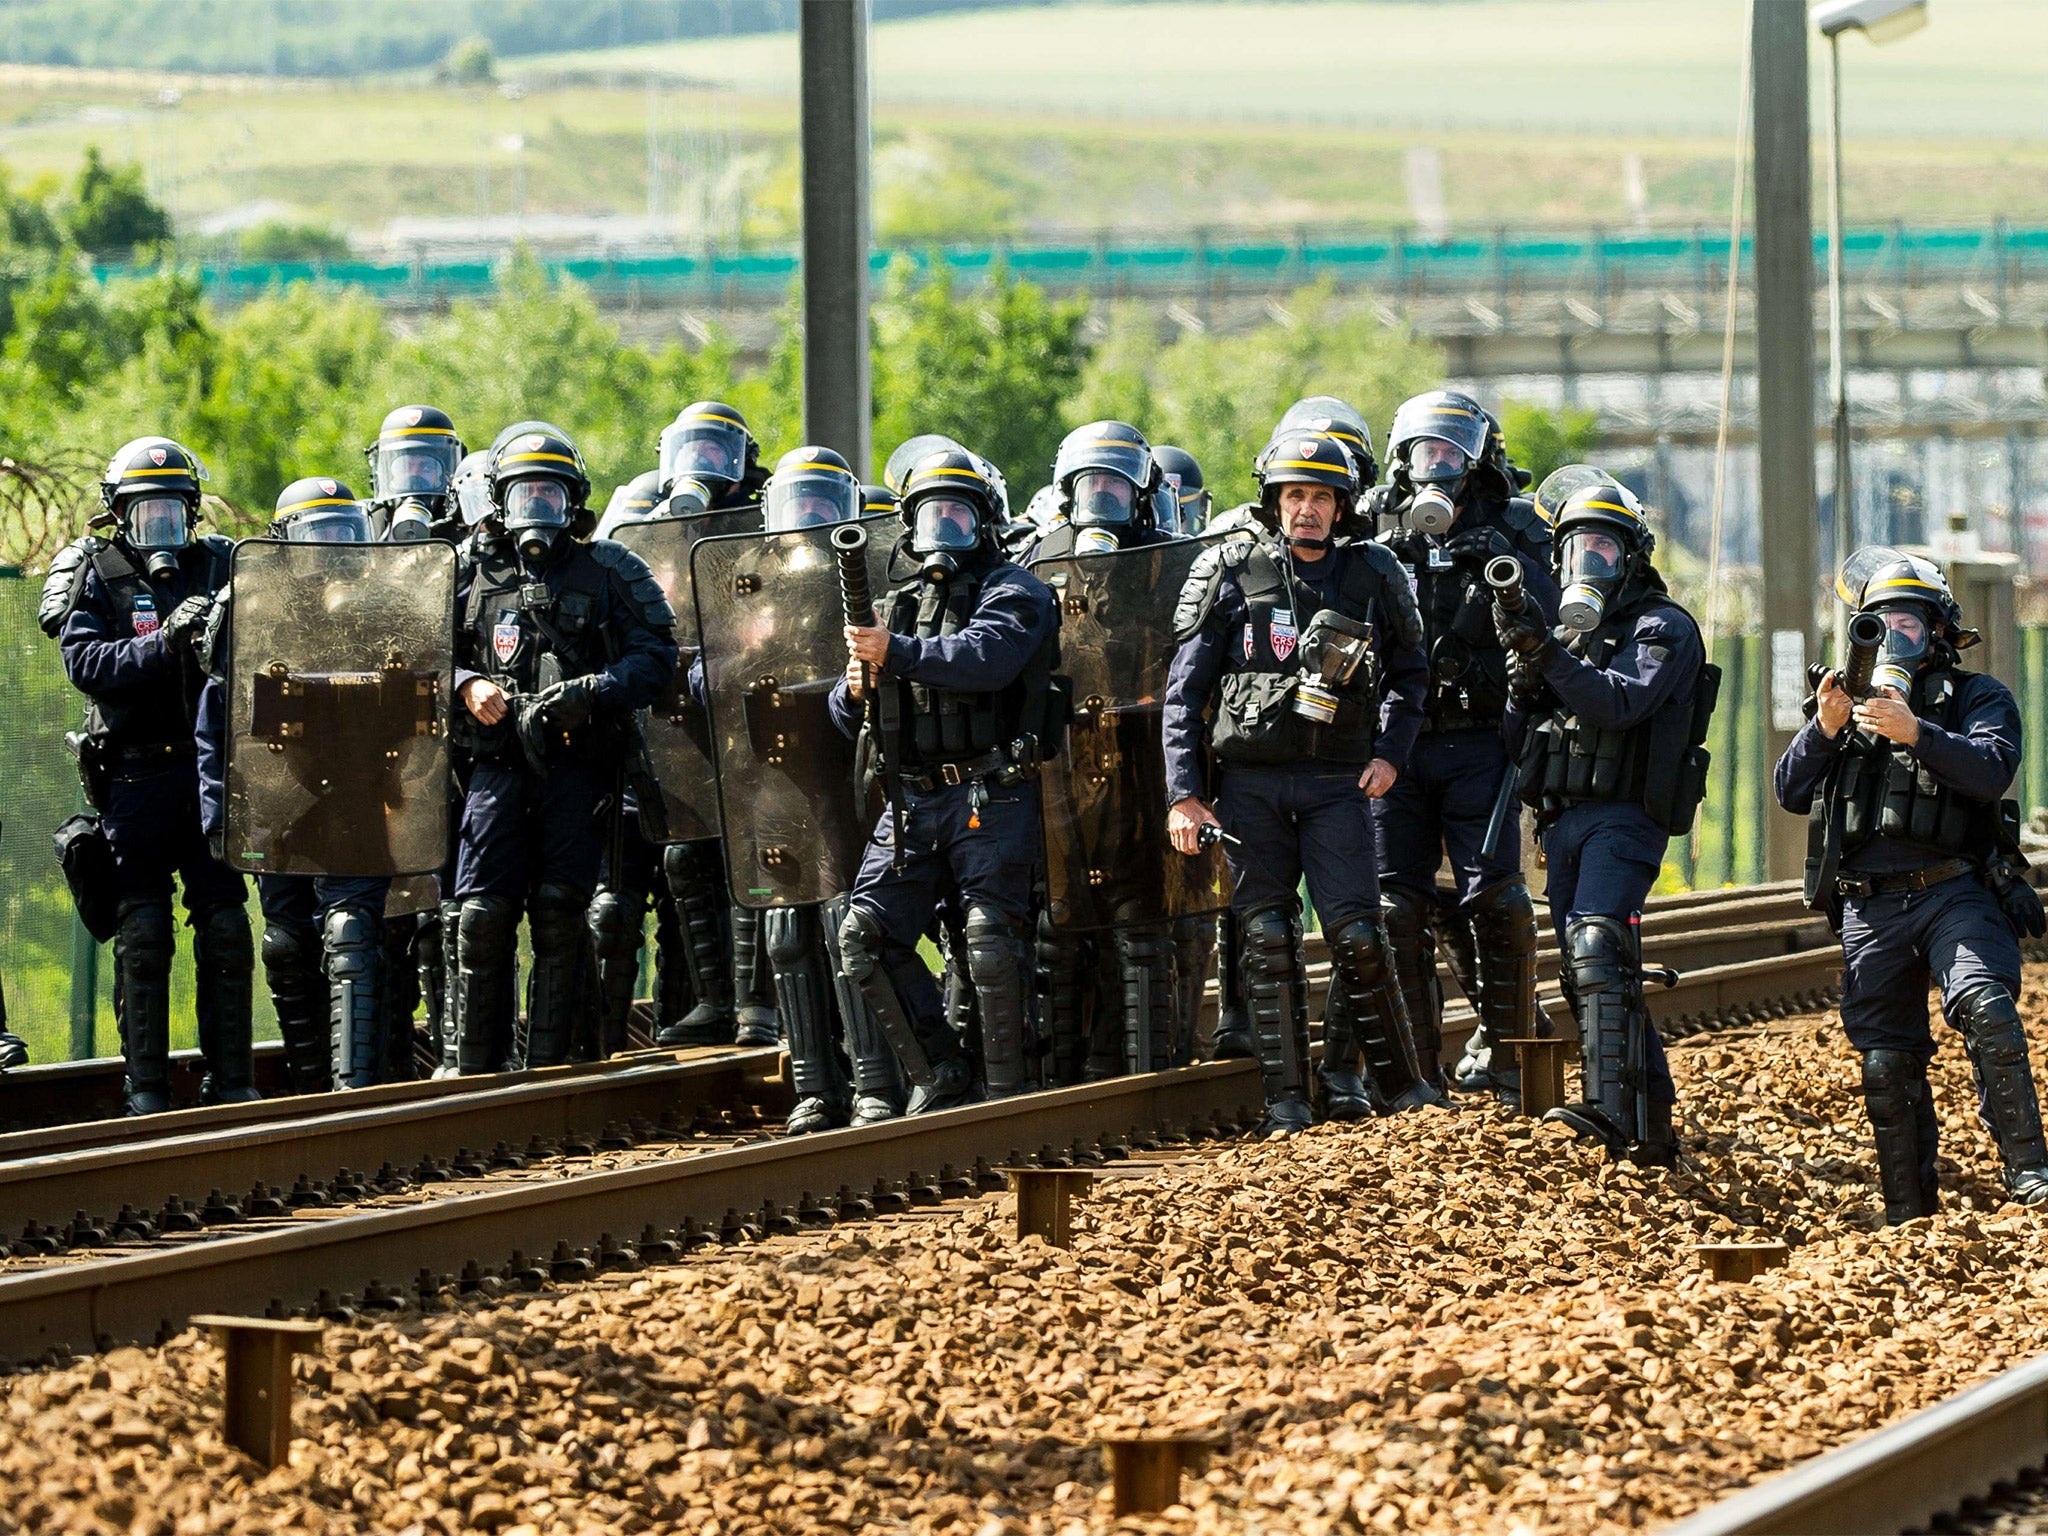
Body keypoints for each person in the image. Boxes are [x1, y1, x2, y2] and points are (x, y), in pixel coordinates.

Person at [1163, 429, 1435, 1135]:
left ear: (1341, 506)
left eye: (1319, 496)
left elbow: (1411, 676)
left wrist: (1392, 756)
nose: (1306, 509)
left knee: (1360, 936)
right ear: (1273, 502)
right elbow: (1182, 692)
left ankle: (1405, 1089)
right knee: (1269, 935)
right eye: (1294, 496)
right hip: (1249, 785)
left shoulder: (1374, 573)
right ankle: (1287, 1101)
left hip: (1336, 782)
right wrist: (1184, 793)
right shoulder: (1229, 569)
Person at [1775, 549, 2048, 1221]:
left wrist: (1916, 732)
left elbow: (1991, 771)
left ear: (1938, 634)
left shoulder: (1977, 698)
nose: (1896, 638)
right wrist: (1825, 726)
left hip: (1954, 889)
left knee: (1988, 1010)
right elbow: (1789, 790)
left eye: (1911, 625)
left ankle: (2031, 1175)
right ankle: (1908, 1211)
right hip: (1870, 901)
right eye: (1881, 625)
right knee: (1886, 1065)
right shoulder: (1845, 705)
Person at [829, 443, 1063, 1114]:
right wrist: (853, 688)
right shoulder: (894, 602)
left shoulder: (1015, 590)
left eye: (958, 516)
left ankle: (1010, 1099)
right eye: (930, 516)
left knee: (990, 943)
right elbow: (848, 717)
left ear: (986, 522)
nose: (943, 531)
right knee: (864, 937)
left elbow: (985, 658)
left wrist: (893, 653)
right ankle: (942, 1071)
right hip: (912, 799)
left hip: (991, 792)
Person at [1495, 477, 1715, 1166]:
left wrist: (1550, 656)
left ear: (1631, 556)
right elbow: (1514, 739)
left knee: (1596, 944)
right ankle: (1653, 1130)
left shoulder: (1663, 627)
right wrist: (1524, 674)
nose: (1587, 561)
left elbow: (1621, 705)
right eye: (1576, 548)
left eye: (1603, 547)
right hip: (1563, 820)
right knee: (1596, 970)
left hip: (1625, 816)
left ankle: (1611, 1114)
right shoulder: (1563, 637)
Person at [447, 424, 678, 1072]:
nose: (536, 513)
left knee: (558, 912)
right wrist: (467, 686)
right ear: (499, 500)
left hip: (577, 767)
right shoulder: (469, 571)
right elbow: (419, 653)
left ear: (573, 502)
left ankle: (548, 1074)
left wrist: (595, 691)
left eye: (550, 498)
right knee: (482, 916)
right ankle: (475, 1076)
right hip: (495, 763)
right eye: (524, 497)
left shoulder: (610, 569)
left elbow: (658, 655)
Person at [43, 437, 255, 1114]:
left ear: (192, 513)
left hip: (210, 774)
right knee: (144, 935)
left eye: (171, 512)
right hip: (133, 778)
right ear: (119, 514)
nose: (159, 527)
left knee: (225, 924)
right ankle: (148, 1090)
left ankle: (231, 1083)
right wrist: (163, 641)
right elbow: (87, 665)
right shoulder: (98, 572)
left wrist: (222, 626)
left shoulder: (222, 565)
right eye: (145, 513)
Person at [1371, 388, 1557, 1099]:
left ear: (1481, 461)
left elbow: (1556, 622)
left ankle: (1513, 1063)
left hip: (1482, 741)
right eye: (1425, 452)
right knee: (1398, 906)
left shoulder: (1514, 525)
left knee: (1497, 896)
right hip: (1400, 740)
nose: (1438, 466)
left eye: (1451, 453)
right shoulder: (1379, 527)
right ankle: (1417, 1077)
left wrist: (1505, 564)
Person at [195, 480, 408, 1091]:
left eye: (344, 536)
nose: (332, 553)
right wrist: (219, 818)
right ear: (285, 542)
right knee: (287, 944)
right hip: (277, 803)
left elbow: (424, 710)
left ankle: (357, 1089)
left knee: (353, 933)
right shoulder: (249, 613)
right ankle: (312, 1091)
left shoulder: (389, 610)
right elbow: (217, 722)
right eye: (318, 538)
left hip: (360, 800)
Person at [1028, 422, 1186, 1081]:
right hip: (1062, 768)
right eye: (1090, 485)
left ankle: (1145, 1078)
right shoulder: (1038, 563)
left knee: (1142, 922)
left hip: (1144, 766)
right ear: (1067, 493)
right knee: (1060, 929)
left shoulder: (1166, 564)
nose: (1101, 497)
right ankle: (1063, 1083)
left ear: (1141, 493)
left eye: (1115, 486)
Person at [585, 467, 694, 1057]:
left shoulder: (714, 582)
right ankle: (605, 1043)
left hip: (700, 776)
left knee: (688, 900)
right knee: (612, 910)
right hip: (626, 766)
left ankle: (684, 1026)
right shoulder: (606, 586)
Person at [362, 404, 465, 543]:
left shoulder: (465, 530)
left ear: (447, 475)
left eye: (426, 468)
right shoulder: (368, 527)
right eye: (405, 467)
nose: (414, 476)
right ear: (385, 475)